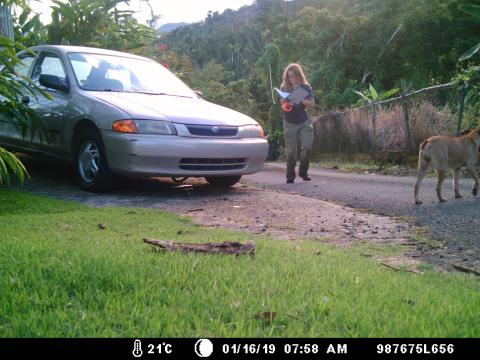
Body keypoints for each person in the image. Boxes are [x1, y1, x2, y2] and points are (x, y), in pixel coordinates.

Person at [279, 63, 315, 184]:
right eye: (289, 77)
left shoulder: (306, 88)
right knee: (290, 152)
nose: (291, 79)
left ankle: (303, 172)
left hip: (304, 121)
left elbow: (312, 103)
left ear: (299, 75)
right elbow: (282, 105)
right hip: (289, 122)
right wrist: (286, 104)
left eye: (293, 76)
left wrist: (301, 101)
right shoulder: (284, 88)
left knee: (307, 147)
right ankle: (290, 176)